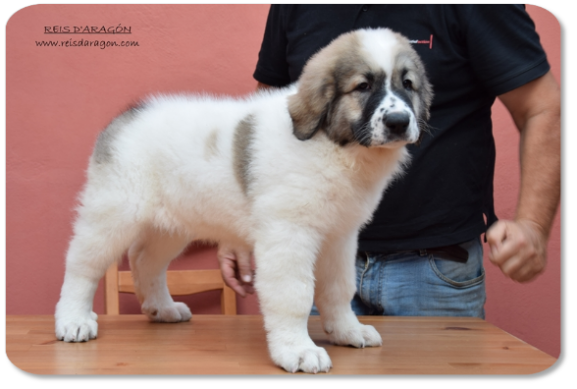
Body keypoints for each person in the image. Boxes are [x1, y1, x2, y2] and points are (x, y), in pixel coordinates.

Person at [217, 4, 560, 318]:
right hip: (311, 253)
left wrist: (532, 226)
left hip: (433, 267)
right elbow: (266, 114)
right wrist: (239, 218)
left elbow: (543, 106)